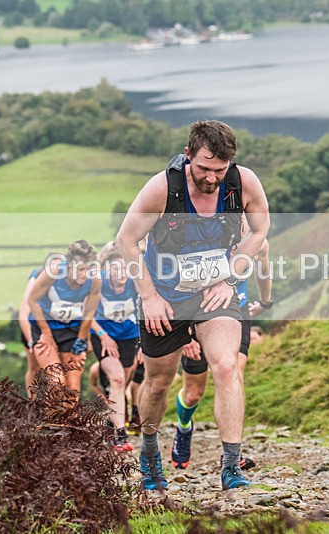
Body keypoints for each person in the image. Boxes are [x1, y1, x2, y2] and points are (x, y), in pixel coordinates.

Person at [116, 120, 269, 492]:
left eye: (220, 170)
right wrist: (149, 297)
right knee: (158, 383)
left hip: (215, 292)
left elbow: (260, 230)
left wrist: (229, 277)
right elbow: (126, 241)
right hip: (165, 298)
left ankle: (231, 466)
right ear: (188, 156)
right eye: (203, 168)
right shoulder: (162, 189)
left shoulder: (243, 183)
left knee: (227, 366)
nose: (211, 178)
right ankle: (149, 454)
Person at [170, 235, 271, 471]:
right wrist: (183, 333)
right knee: (193, 393)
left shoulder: (259, 242)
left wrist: (265, 302)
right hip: (196, 314)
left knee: (233, 373)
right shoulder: (206, 234)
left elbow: (264, 271)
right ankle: (183, 427)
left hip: (236, 312)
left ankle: (232, 452)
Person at [27, 239, 101, 400]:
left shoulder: (95, 279)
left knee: (72, 388)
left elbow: (89, 312)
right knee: (56, 383)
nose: (85, 274)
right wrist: (46, 333)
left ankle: (69, 418)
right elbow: (32, 300)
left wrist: (81, 342)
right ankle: (48, 416)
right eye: (81, 269)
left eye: (89, 269)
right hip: (45, 327)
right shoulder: (53, 272)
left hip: (72, 330)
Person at [90, 241, 144, 452]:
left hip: (129, 336)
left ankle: (111, 422)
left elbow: (145, 308)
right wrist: (103, 336)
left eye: (124, 268)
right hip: (104, 336)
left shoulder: (135, 281)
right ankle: (120, 437)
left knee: (124, 380)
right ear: (108, 269)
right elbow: (85, 313)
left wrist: (143, 343)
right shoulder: (98, 282)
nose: (121, 273)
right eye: (116, 269)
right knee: (118, 379)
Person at [19, 253, 62, 398]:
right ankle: (33, 402)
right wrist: (32, 341)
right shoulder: (36, 277)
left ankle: (53, 402)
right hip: (32, 326)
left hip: (54, 327)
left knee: (55, 370)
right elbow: (23, 314)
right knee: (34, 366)